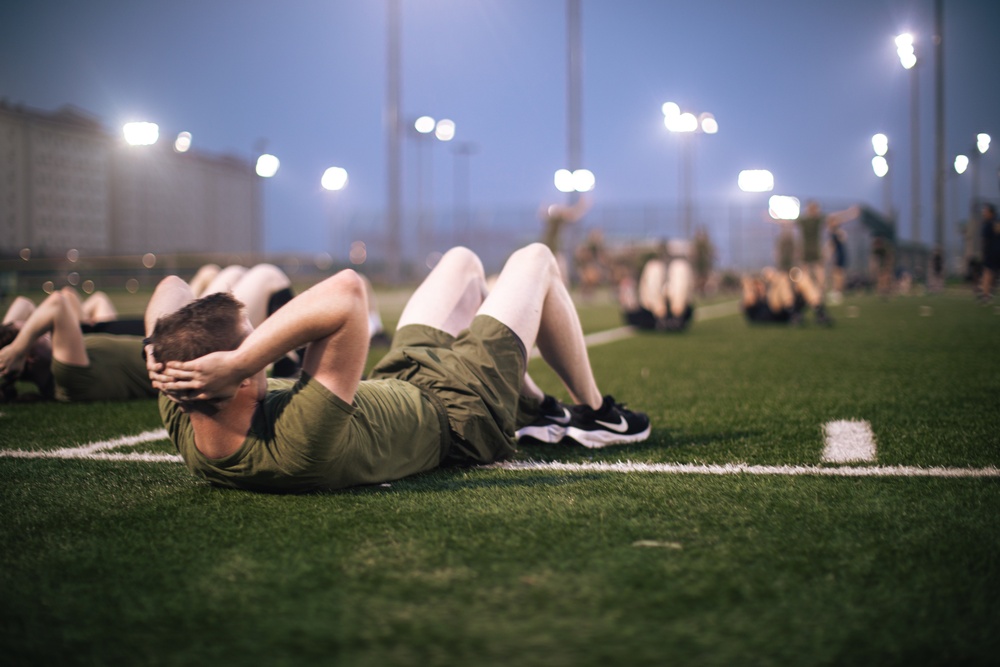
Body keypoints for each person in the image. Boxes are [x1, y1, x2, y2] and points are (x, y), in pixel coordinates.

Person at [145, 243, 651, 493]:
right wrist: (237, 360)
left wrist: (158, 348)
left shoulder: (189, 415)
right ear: (236, 381)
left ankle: (538, 408)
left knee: (461, 261)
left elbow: (170, 286)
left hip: (400, 378)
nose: (259, 347)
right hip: (460, 410)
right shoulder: (296, 444)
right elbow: (346, 291)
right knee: (537, 259)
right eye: (250, 343)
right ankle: (597, 413)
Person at [618, 244, 694, 332]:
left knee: (679, 266)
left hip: (673, 313)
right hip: (651, 313)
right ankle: (667, 315)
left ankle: (674, 314)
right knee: (655, 268)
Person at [741, 266, 830, 327]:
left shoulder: (769, 288)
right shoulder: (755, 303)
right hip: (776, 310)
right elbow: (748, 299)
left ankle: (820, 312)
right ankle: (793, 313)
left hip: (787, 306)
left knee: (803, 279)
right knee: (782, 280)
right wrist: (751, 286)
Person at [979, 203, 999, 302]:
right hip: (995, 251)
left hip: (991, 252)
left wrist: (983, 253)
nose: (984, 214)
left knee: (987, 273)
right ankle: (987, 294)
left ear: (991, 213)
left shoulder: (987, 225)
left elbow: (984, 241)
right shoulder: (996, 223)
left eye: (985, 212)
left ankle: (986, 295)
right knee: (990, 273)